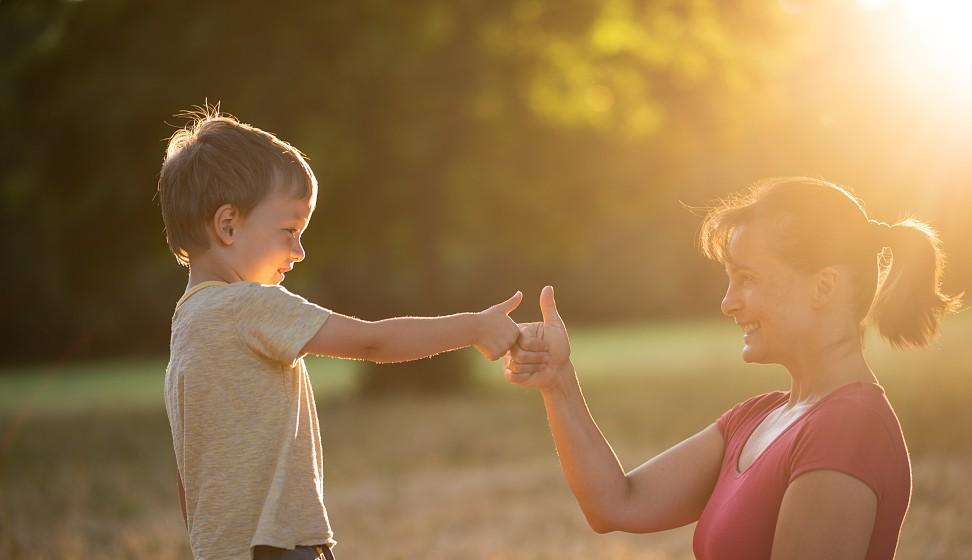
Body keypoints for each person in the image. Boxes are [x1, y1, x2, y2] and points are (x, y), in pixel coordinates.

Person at [506, 177, 962, 559]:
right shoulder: (758, 418)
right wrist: (558, 382)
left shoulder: (848, 430)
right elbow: (616, 504)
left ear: (824, 287)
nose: (727, 302)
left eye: (747, 278)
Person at [157, 108, 523, 560]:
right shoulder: (248, 305)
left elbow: (187, 469)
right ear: (228, 225)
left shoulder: (187, 324)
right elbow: (373, 342)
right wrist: (474, 326)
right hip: (277, 546)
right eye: (289, 231)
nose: (299, 250)